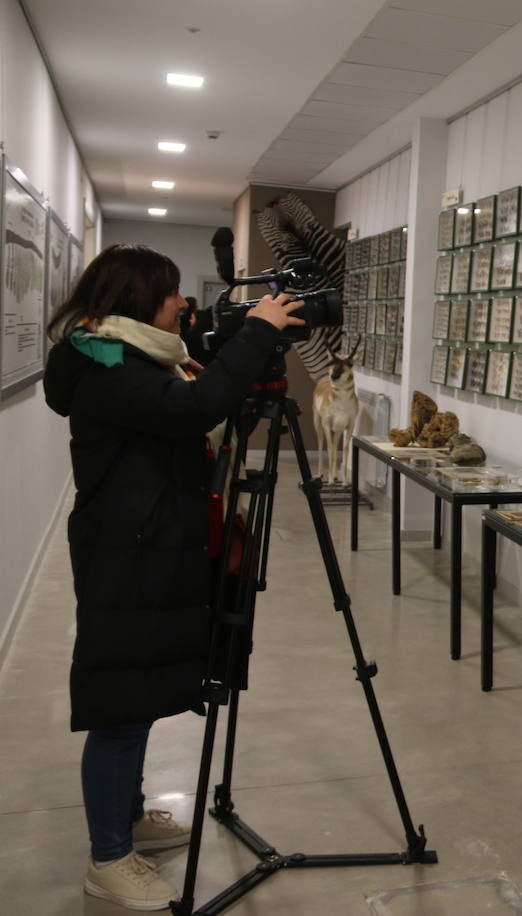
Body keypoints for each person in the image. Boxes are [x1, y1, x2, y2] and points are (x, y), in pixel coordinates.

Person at [43, 244, 303, 911]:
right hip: (128, 554)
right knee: (119, 708)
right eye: (169, 293)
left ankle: (126, 820)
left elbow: (194, 399)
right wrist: (259, 330)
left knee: (139, 693)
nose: (181, 304)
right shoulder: (108, 367)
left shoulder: (136, 356)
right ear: (137, 300)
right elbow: (194, 408)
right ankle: (107, 858)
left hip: (149, 545)